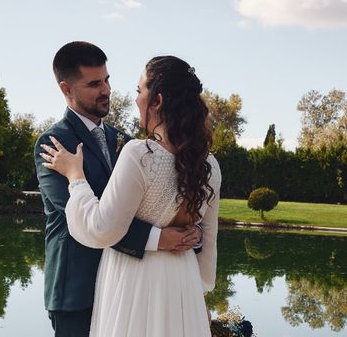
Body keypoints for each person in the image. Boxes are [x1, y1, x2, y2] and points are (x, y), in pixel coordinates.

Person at [41, 55, 221, 337]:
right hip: (82, 289)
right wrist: (198, 287)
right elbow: (209, 238)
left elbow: (101, 226)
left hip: (131, 282)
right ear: (67, 89)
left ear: (157, 100)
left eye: (107, 80)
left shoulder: (135, 148)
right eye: (94, 83)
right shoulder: (209, 164)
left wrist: (75, 176)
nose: (108, 90)